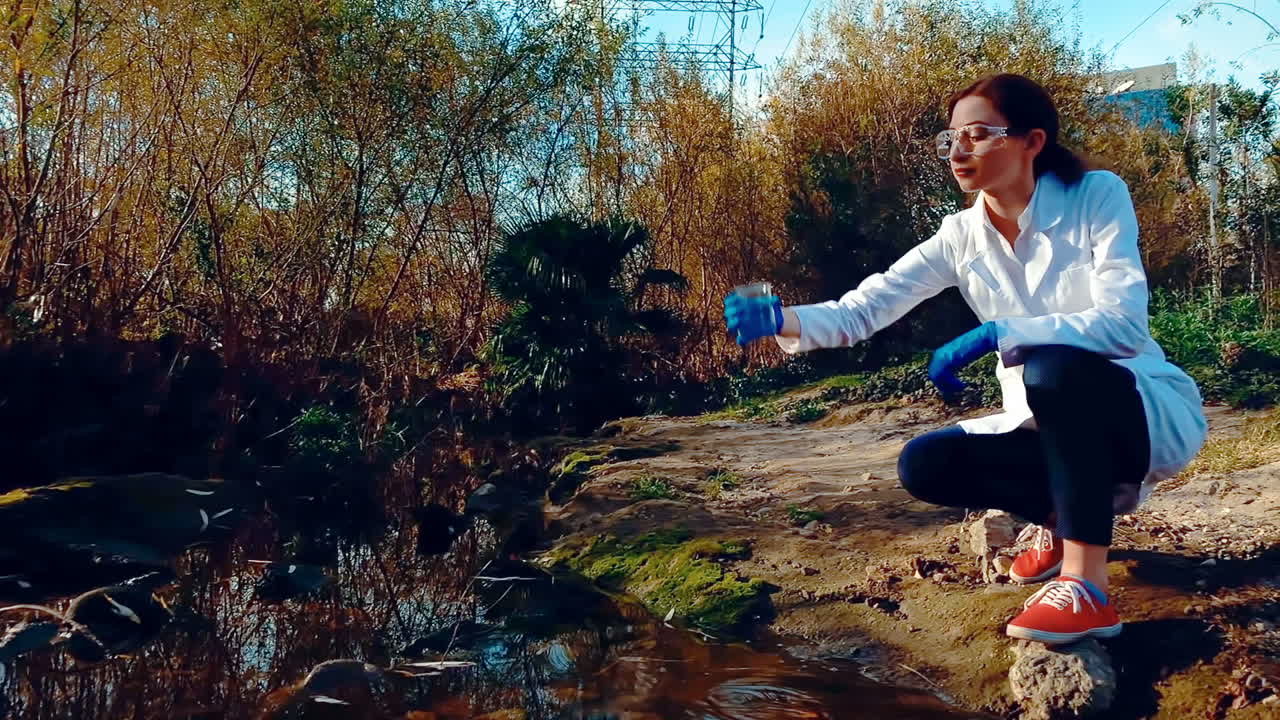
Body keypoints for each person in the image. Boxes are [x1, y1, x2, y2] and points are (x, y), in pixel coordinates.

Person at [723, 73, 1207, 645]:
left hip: (1134, 410)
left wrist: (1006, 330)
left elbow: (1124, 325)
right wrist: (782, 319)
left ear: (1032, 141)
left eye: (978, 134)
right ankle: (1060, 518)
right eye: (951, 137)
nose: (958, 151)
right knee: (926, 464)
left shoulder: (1095, 196)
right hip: (1045, 420)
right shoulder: (960, 236)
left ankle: (1087, 588)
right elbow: (864, 308)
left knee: (1055, 366)